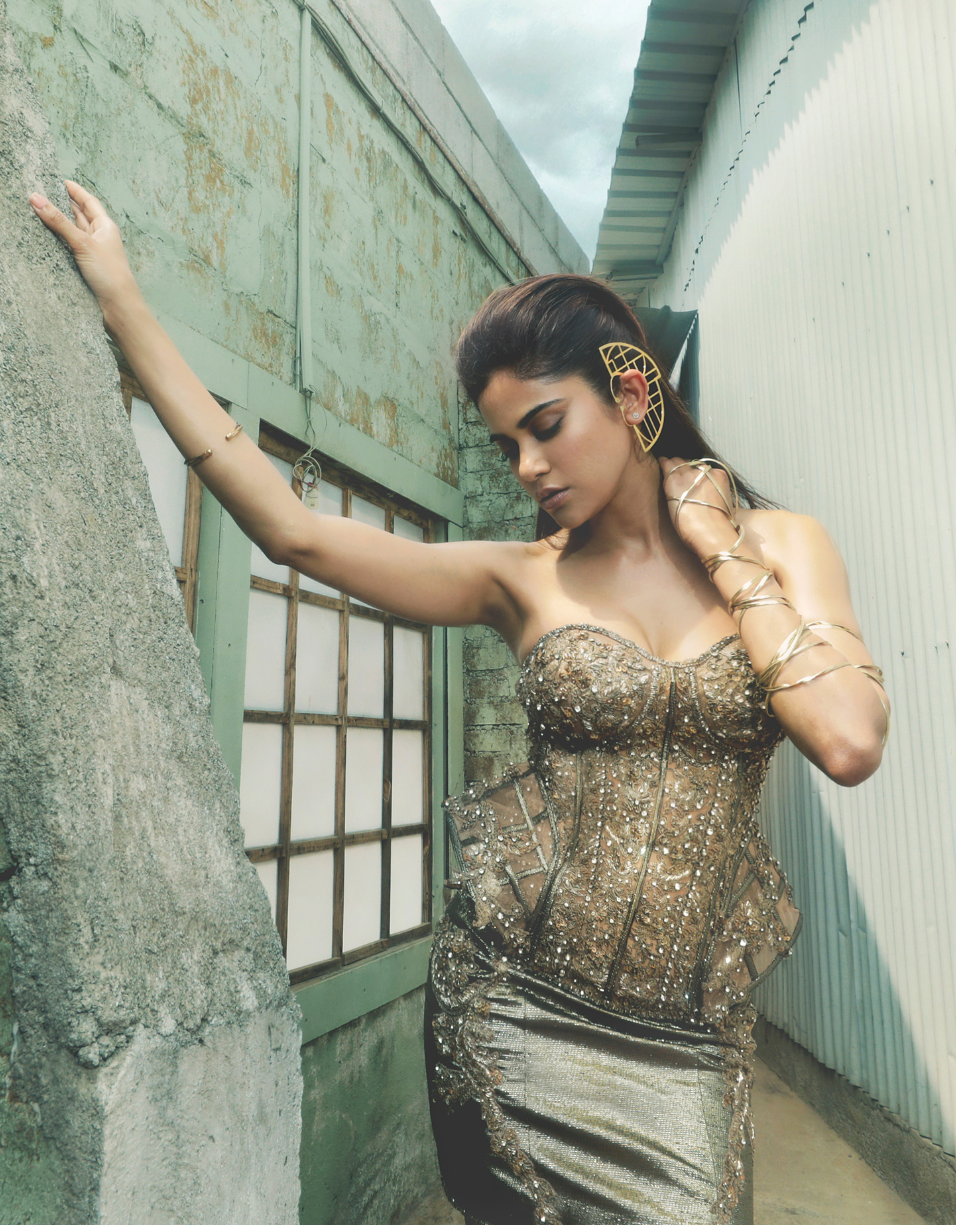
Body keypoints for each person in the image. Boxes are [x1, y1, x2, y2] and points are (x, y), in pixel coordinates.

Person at [31, 183, 889, 1225]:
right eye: (505, 447)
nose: (528, 467)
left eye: (544, 426)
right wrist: (125, 305)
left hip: (689, 1043)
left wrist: (716, 541)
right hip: (512, 1012)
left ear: (629, 391)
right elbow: (294, 533)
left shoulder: (784, 545)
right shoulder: (518, 577)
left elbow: (846, 737)